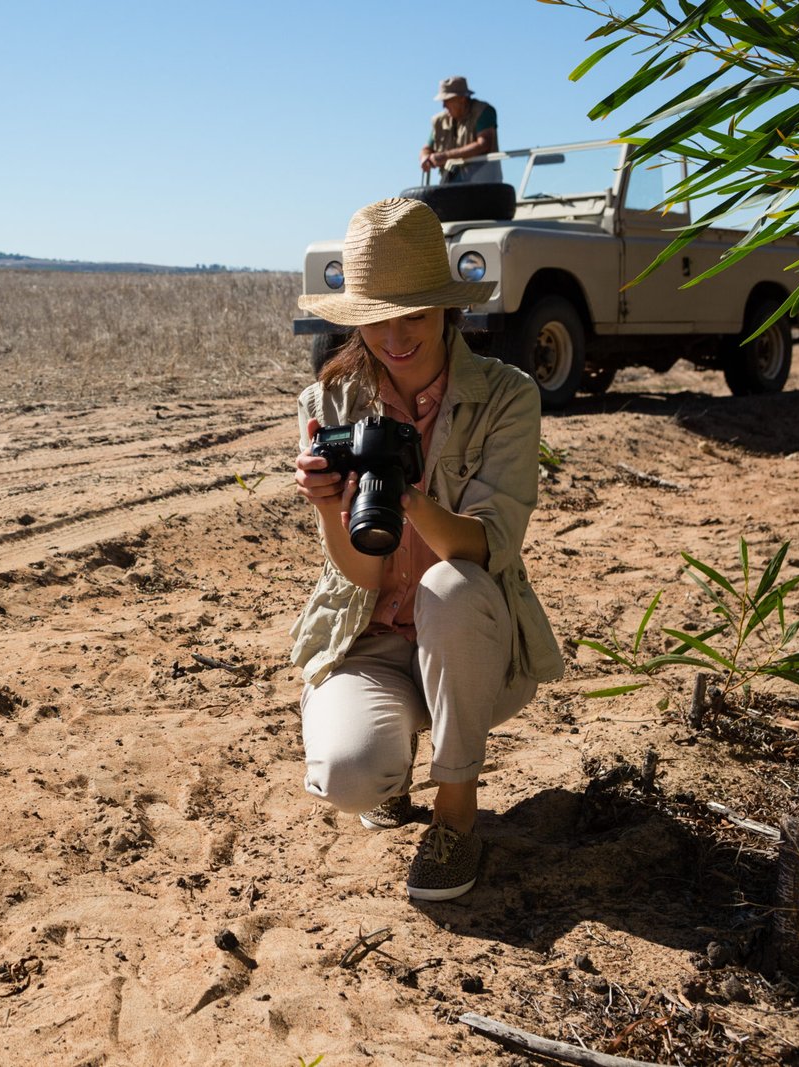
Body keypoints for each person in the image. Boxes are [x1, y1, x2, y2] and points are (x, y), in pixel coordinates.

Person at [290, 198, 563, 901]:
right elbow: (356, 572)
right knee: (350, 775)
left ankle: (456, 808)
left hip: (473, 640)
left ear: (447, 309)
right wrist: (331, 510)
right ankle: (395, 758)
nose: (395, 335)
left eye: (413, 313)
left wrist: (406, 490)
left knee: (449, 583)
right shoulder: (330, 403)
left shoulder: (507, 395)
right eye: (375, 316)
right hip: (374, 635)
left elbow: (486, 545)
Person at [420, 76, 501, 184]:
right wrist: (425, 157)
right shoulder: (439, 121)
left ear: (462, 98)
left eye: (447, 100)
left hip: (483, 186)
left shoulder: (483, 112)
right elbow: (427, 148)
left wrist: (445, 157)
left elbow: (483, 144)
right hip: (450, 186)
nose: (444, 105)